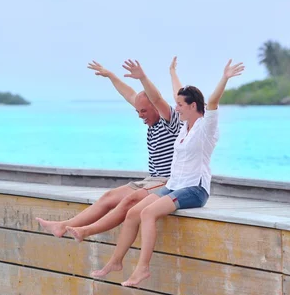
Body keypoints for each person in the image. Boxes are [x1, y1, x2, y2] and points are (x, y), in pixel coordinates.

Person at [90, 58, 245, 287]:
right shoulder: (183, 125)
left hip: (194, 189)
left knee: (147, 214)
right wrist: (172, 71)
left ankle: (142, 269)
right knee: (133, 213)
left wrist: (224, 77)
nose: (177, 107)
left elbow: (212, 101)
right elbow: (176, 93)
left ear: (193, 106)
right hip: (174, 185)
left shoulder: (206, 127)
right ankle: (115, 262)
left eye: (181, 105)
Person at [36, 60, 182, 250]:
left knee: (127, 201)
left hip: (166, 181)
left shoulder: (169, 122)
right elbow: (130, 94)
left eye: (144, 111)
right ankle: (63, 225)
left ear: (155, 107)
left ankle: (85, 230)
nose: (140, 115)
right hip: (151, 179)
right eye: (137, 111)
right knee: (109, 196)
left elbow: (157, 98)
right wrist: (111, 76)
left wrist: (143, 78)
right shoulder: (149, 119)